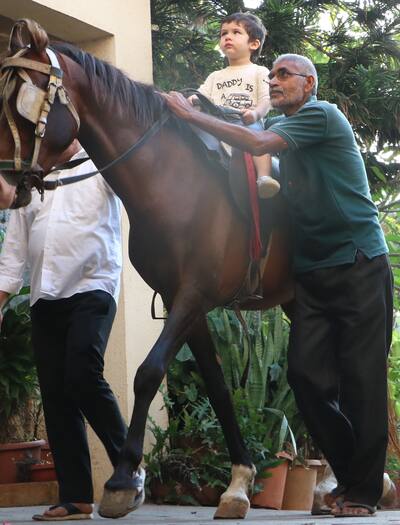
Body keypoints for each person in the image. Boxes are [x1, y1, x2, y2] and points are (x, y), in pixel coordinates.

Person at [164, 53, 393, 518]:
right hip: (312, 273)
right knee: (306, 377)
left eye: (284, 74)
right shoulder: (287, 142)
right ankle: (355, 478)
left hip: (359, 263)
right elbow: (253, 160)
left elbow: (256, 139)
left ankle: (363, 492)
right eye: (271, 77)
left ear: (310, 83)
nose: (274, 81)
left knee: (362, 382)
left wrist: (190, 114)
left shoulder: (321, 115)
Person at [0, 140, 127, 521]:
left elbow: (141, 190)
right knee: (56, 394)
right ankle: (76, 498)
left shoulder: (104, 163)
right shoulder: (32, 179)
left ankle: (129, 466)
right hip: (45, 294)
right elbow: (15, 250)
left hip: (93, 286)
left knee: (83, 373)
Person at [190, 12, 280, 199]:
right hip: (217, 124)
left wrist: (255, 114)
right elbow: (200, 96)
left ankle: (264, 177)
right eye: (223, 33)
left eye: (236, 32)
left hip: (244, 122)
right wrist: (188, 101)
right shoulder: (215, 76)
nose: (227, 37)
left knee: (258, 141)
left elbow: (266, 100)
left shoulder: (258, 71)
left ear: (253, 44)